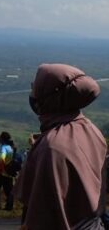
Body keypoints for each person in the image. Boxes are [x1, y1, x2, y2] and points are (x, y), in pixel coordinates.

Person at [15, 64, 107, 229]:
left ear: (51, 97)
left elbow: (43, 215)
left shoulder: (51, 147)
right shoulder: (91, 129)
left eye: (35, 88)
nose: (32, 93)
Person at [0, 132, 14, 211]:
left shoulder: (3, 147)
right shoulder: (11, 147)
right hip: (9, 171)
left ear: (2, 139)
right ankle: (9, 207)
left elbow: (2, 159)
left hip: (2, 172)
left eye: (0, 138)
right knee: (9, 190)